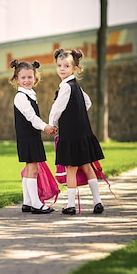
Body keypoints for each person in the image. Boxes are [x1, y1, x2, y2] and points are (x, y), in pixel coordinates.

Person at [48, 49, 105, 215]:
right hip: (83, 132)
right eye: (59, 65)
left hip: (71, 135)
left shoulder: (66, 87)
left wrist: (52, 123)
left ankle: (71, 205)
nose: (62, 69)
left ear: (74, 68)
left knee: (71, 169)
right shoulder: (77, 86)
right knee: (87, 167)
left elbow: (56, 108)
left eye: (66, 66)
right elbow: (88, 103)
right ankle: (97, 202)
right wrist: (78, 113)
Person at [9, 59, 58, 214]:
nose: (27, 80)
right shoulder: (20, 97)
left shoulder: (30, 94)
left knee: (29, 169)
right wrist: (46, 127)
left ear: (35, 77)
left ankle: (27, 202)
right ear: (16, 79)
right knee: (33, 169)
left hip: (31, 136)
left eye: (30, 77)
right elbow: (31, 117)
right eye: (23, 78)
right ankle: (36, 204)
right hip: (28, 137)